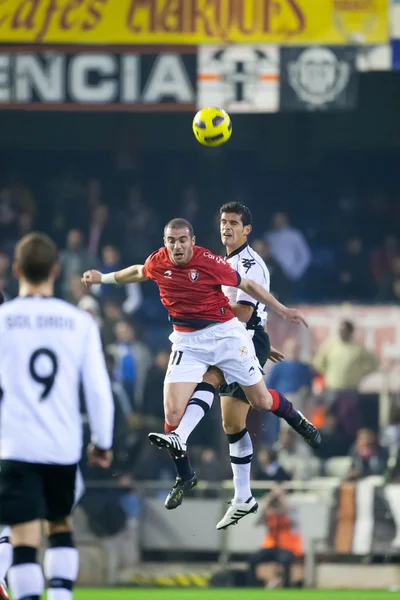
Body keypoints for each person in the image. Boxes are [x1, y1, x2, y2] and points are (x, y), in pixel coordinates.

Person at [82, 217, 320, 527]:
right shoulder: (159, 261)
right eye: (172, 240)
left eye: (182, 240)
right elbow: (139, 272)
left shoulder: (209, 261)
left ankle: (295, 418)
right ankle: (185, 476)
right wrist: (104, 278)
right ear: (165, 242)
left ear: (192, 241)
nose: (177, 246)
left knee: (260, 401)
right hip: (187, 341)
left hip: (224, 337)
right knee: (171, 412)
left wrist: (282, 309)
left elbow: (246, 286)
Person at [0, 233, 114, 600]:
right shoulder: (77, 322)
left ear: (16, 270)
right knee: (60, 526)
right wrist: (102, 442)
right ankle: (62, 593)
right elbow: (98, 390)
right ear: (56, 269)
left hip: (15, 446)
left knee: (22, 536)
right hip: (62, 447)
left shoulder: (3, 319)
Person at [313, 320, 379, 440]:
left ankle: (349, 443)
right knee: (330, 421)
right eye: (340, 330)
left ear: (350, 332)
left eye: (344, 330)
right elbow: (318, 362)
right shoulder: (331, 346)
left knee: (351, 422)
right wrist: (328, 373)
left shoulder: (357, 348)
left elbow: (373, 363)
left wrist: (361, 373)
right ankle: (327, 443)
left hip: (351, 391)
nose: (342, 333)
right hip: (332, 389)